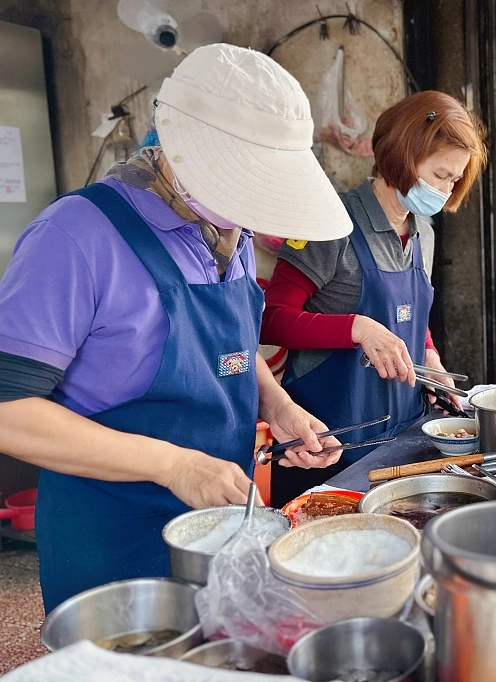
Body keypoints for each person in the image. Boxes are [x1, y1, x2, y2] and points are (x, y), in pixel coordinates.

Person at [0, 44, 352, 612]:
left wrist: (277, 403)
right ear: (181, 155)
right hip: (115, 549)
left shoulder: (225, 231)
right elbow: (7, 412)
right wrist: (175, 465)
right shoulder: (75, 237)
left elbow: (230, 349)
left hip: (221, 536)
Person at [261, 90, 486, 505]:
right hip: (326, 445)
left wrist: (431, 361)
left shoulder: (425, 233)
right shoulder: (330, 224)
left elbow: (414, 318)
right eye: (440, 175)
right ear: (403, 156)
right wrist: (357, 328)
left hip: (403, 433)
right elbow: (271, 318)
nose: (446, 189)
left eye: (454, 180)